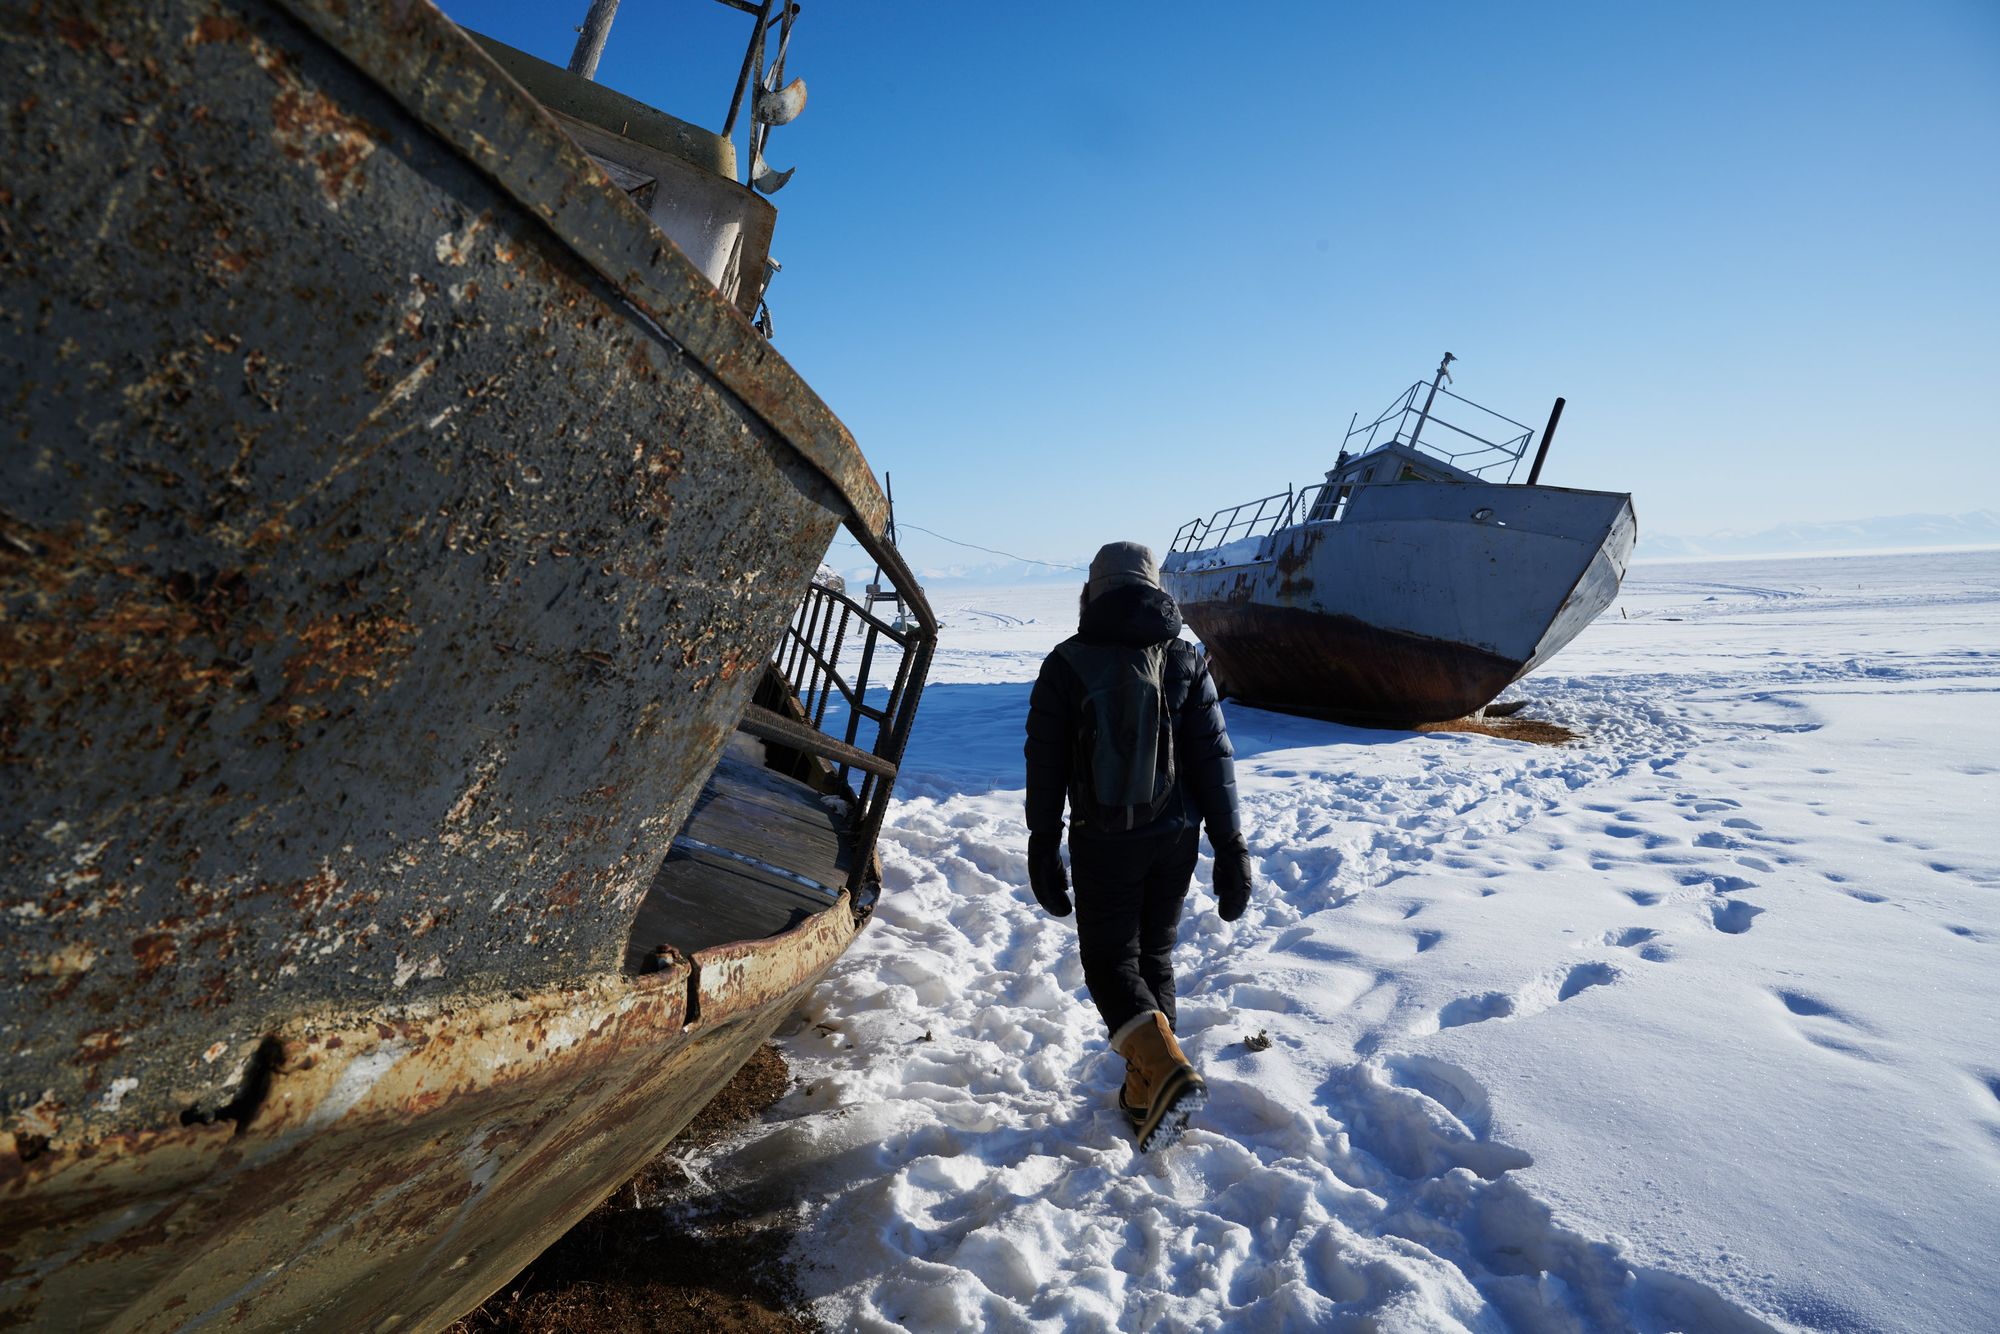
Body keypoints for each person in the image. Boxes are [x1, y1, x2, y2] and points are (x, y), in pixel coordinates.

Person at [1023, 541, 1253, 1152]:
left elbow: (1044, 761)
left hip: (1105, 838)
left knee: (1109, 961)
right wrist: (1230, 847)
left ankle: (1163, 1068)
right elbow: (1214, 760)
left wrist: (1042, 841)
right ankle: (1147, 1088)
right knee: (1154, 956)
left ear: (1093, 592)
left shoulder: (1066, 663)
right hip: (1176, 838)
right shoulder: (1185, 659)